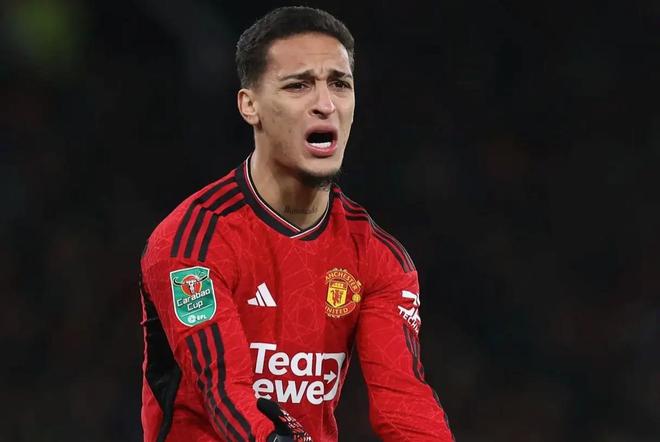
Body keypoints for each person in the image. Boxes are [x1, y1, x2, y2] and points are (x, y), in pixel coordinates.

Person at [139, 6, 454, 442]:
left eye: (340, 84)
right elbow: (225, 394)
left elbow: (404, 406)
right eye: (298, 85)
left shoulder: (377, 258)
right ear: (250, 106)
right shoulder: (192, 243)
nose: (325, 104)